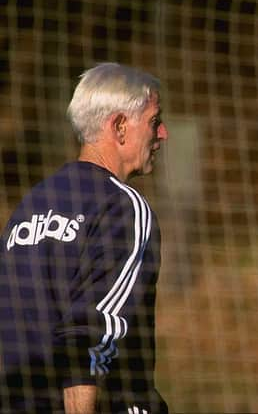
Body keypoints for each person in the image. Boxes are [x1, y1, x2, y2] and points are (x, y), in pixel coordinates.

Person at [0, 62, 169, 413]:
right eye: (154, 121)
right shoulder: (123, 207)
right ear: (120, 127)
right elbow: (89, 332)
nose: (163, 133)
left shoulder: (28, 208)